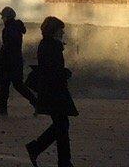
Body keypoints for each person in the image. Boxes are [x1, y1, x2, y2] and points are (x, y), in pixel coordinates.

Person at [23, 15, 76, 167]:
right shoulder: (52, 46)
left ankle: (61, 159)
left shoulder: (48, 44)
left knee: (61, 125)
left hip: (51, 89)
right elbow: (52, 69)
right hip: (54, 91)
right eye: (61, 30)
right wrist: (64, 73)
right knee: (62, 124)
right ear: (54, 31)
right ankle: (40, 149)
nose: (63, 33)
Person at [0, 6, 26, 115]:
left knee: (14, 85)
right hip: (13, 60)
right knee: (9, 85)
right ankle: (2, 108)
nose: (2, 19)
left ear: (7, 17)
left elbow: (8, 46)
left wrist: (0, 59)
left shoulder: (10, 28)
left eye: (3, 17)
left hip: (9, 61)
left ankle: (36, 103)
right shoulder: (15, 27)